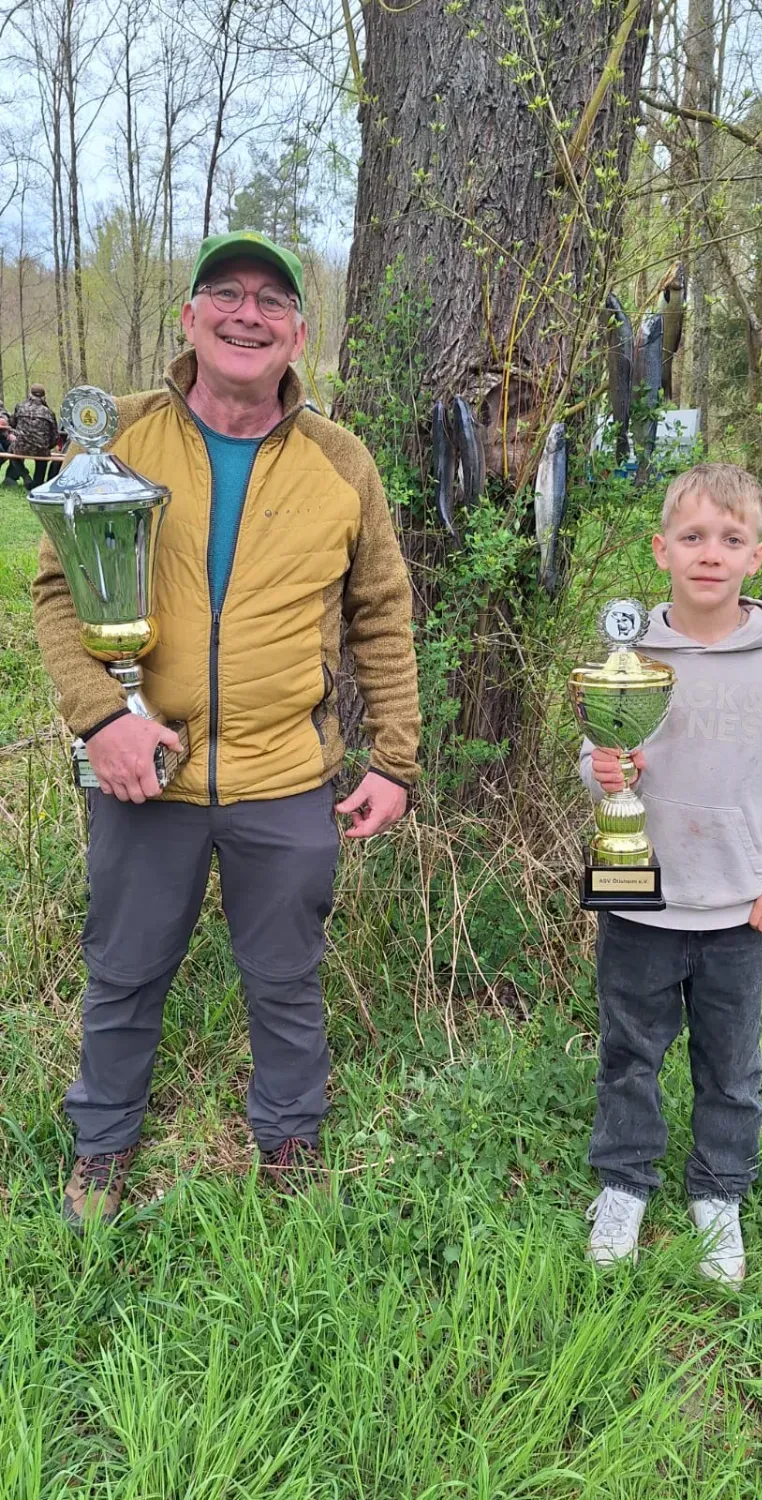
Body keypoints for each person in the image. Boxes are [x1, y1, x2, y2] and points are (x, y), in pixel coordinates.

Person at [32, 231, 421, 1228]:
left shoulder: (342, 460)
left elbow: (382, 612)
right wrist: (101, 720)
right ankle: (102, 1148)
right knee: (124, 974)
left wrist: (396, 761)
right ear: (189, 317)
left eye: (272, 301)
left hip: (285, 775)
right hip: (144, 770)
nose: (249, 314)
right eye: (227, 293)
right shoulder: (117, 435)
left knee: (286, 980)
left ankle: (290, 1144)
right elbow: (58, 591)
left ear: (298, 332)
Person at [580, 463, 762, 1284]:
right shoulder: (629, 655)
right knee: (629, 1053)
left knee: (730, 1066)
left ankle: (718, 1193)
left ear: (756, 556)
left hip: (737, 911)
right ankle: (623, 1182)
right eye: (691, 537)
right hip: (639, 902)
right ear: (662, 550)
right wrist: (605, 773)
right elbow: (595, 756)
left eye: (729, 538)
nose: (709, 554)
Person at [11, 383, 60, 487]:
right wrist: (48, 446)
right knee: (43, 455)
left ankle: (25, 475)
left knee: (11, 450)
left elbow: (12, 424)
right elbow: (55, 436)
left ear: (30, 394)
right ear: (44, 396)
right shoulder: (49, 412)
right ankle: (38, 482)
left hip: (21, 447)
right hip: (41, 449)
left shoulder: (20, 407)